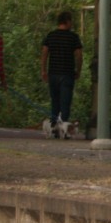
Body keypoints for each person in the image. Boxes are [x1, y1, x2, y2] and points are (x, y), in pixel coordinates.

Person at [40, 10, 83, 138]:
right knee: (65, 103)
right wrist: (78, 70)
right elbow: (79, 55)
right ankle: (64, 129)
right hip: (67, 74)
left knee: (55, 101)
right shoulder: (73, 37)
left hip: (53, 73)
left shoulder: (51, 36)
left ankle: (54, 128)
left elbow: (44, 53)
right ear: (68, 21)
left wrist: (43, 70)